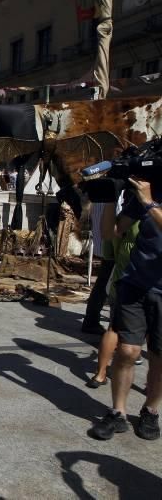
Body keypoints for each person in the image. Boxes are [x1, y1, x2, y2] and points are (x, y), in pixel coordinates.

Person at [91, 177, 162, 442]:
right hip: (135, 283)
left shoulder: (148, 197)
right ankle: (117, 411)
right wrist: (110, 197)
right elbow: (110, 232)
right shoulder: (149, 191)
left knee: (158, 355)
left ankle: (151, 410)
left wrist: (149, 202)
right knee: (127, 350)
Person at [87, 199, 142, 388]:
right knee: (154, 337)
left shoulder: (118, 222)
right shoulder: (150, 219)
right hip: (146, 283)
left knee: (113, 329)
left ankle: (100, 373)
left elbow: (108, 254)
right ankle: (152, 384)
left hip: (119, 280)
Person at [82, 202, 111, 334]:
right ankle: (92, 320)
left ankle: (91, 319)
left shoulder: (102, 191)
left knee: (103, 282)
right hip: (111, 243)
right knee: (105, 283)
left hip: (106, 242)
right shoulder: (114, 191)